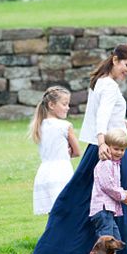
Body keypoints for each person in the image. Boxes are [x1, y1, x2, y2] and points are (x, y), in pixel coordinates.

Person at [31, 44, 127, 254]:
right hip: (110, 149)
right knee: (121, 202)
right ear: (115, 60)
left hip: (99, 146)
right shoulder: (108, 86)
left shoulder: (99, 81)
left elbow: (106, 114)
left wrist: (123, 122)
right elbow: (101, 117)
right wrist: (102, 142)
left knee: (79, 201)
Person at [89, 128, 127, 254]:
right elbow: (107, 186)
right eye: (116, 149)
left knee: (115, 240)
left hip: (109, 210)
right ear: (107, 146)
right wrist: (123, 196)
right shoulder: (105, 164)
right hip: (102, 209)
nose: (119, 152)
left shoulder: (115, 165)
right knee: (105, 243)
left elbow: (114, 185)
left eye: (122, 150)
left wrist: (124, 193)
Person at [29, 86, 81, 215]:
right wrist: (67, 152)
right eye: (64, 104)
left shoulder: (39, 126)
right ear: (51, 105)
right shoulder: (65, 126)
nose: (67, 107)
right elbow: (77, 152)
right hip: (61, 172)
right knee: (67, 212)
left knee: (53, 215)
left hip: (44, 173)